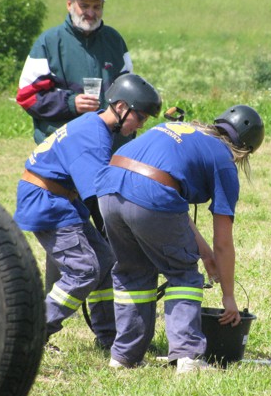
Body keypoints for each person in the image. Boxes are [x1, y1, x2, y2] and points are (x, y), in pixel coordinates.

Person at [95, 105, 265, 372]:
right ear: (245, 149)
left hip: (108, 189)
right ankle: (187, 357)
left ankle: (124, 356)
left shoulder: (185, 132)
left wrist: (206, 254)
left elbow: (172, 205)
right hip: (152, 194)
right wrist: (228, 297)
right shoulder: (223, 159)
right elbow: (224, 242)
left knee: (132, 273)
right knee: (183, 275)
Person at [13, 74, 162, 350]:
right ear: (120, 107)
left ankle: (109, 336)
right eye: (139, 117)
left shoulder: (97, 127)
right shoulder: (94, 135)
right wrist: (123, 232)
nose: (141, 124)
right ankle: (32, 333)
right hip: (46, 200)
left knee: (105, 260)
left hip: (62, 198)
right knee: (84, 270)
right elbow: (98, 197)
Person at [15, 0, 134, 292]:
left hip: (109, 153)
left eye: (96, 6)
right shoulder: (49, 41)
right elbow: (27, 96)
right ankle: (56, 316)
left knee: (112, 232)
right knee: (68, 235)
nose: (90, 12)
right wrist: (70, 102)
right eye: (84, 5)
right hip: (64, 160)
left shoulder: (114, 41)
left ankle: (109, 320)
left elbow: (130, 92)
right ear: (69, 5)